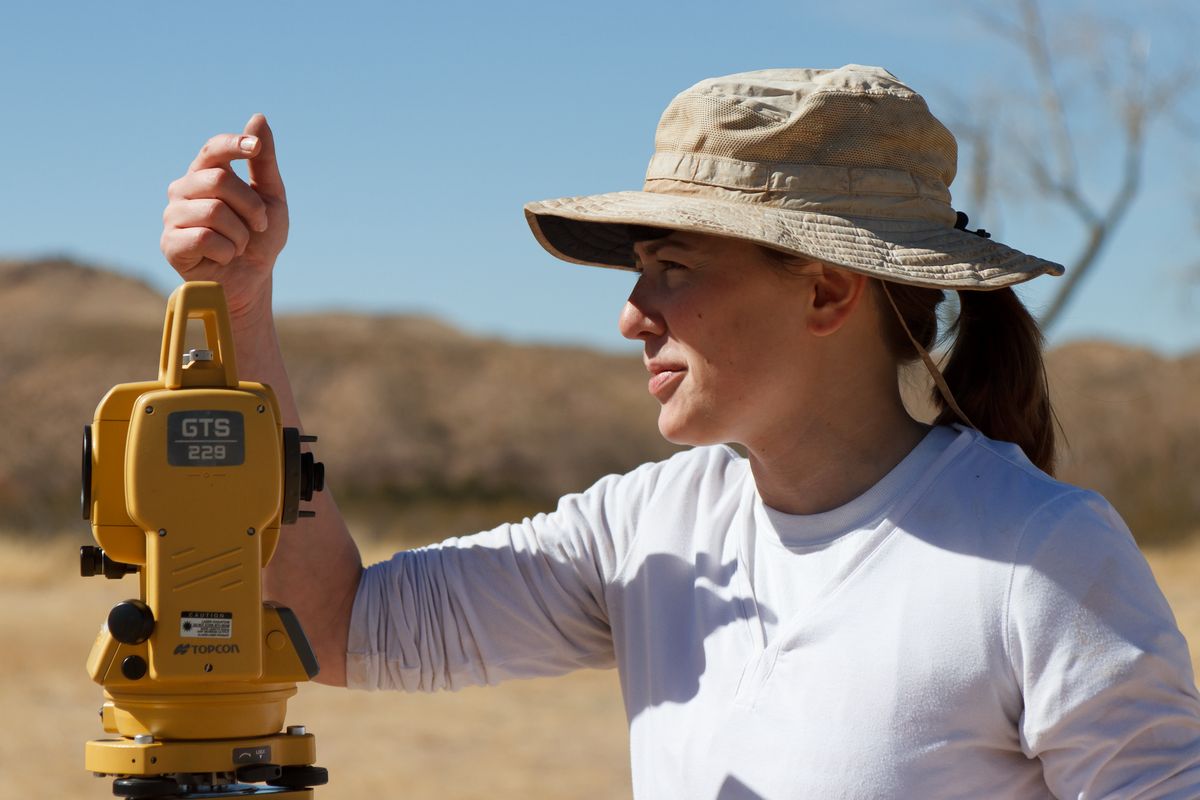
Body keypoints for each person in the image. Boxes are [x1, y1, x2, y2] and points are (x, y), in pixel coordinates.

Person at [160, 65, 1200, 798]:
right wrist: (240, 306)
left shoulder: (1040, 557)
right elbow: (327, 625)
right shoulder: (647, 528)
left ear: (829, 289)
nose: (630, 311)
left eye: (673, 267)